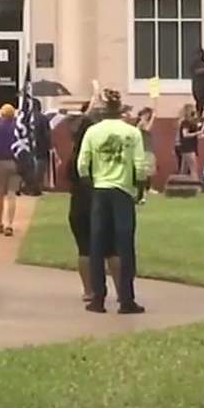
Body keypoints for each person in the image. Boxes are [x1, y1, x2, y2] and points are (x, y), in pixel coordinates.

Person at [78, 89, 145, 315]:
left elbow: (82, 164)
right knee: (125, 246)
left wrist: (92, 186)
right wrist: (140, 189)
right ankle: (126, 299)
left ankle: (98, 298)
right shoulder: (132, 132)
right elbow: (141, 166)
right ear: (120, 110)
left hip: (100, 190)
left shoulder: (92, 132)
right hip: (123, 191)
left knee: (97, 245)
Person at [66, 101, 99, 303]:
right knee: (106, 248)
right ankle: (102, 287)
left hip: (77, 205)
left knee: (84, 249)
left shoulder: (73, 156)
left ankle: (88, 289)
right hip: (96, 203)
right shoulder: (95, 156)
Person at [0, 104, 21, 236]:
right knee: (12, 194)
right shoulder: (18, 129)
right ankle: (10, 224)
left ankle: (0, 222)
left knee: (0, 194)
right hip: (14, 163)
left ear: (1, 115)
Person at [133, 107, 156, 206]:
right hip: (143, 150)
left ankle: (148, 188)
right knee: (145, 170)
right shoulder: (141, 123)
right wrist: (153, 118)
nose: (148, 116)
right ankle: (144, 190)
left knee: (150, 170)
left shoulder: (144, 123)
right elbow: (147, 128)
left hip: (148, 148)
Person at [176, 103, 202, 179]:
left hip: (188, 147)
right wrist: (197, 133)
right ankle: (196, 187)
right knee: (194, 169)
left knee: (183, 170)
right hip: (188, 148)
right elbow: (185, 134)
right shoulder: (185, 122)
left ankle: (179, 186)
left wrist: (198, 134)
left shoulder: (190, 122)